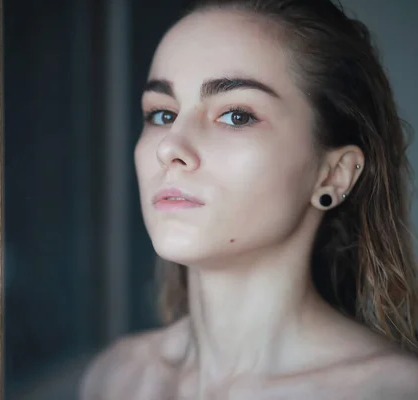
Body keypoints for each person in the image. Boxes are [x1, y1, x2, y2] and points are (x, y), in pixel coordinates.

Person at [80, 0, 418, 398]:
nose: (170, 147)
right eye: (162, 114)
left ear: (333, 174)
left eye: (236, 115)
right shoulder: (114, 379)